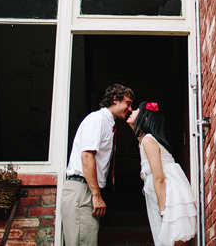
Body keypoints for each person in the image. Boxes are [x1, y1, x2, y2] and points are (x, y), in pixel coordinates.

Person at [61, 84, 135, 246]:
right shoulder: (97, 120)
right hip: (82, 190)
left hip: (85, 189)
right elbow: (87, 156)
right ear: (115, 100)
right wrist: (96, 196)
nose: (130, 109)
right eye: (128, 103)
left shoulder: (107, 123)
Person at [127, 102, 197, 246]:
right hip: (162, 193)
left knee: (172, 237)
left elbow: (158, 178)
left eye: (136, 110)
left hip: (168, 194)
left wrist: (163, 210)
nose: (132, 111)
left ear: (145, 118)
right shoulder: (145, 140)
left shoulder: (148, 140)